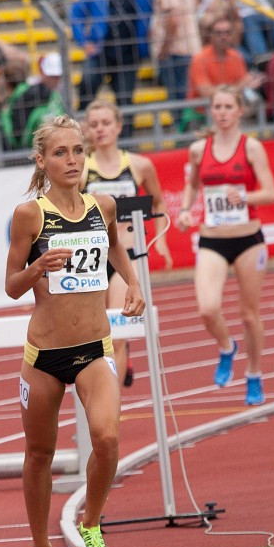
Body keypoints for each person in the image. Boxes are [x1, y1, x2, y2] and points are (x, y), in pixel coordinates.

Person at [5, 114, 145, 547]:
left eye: (78, 151)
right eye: (62, 152)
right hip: (43, 355)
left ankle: (91, 523)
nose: (73, 160)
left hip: (94, 347)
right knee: (39, 455)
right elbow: (10, 284)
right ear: (42, 160)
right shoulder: (31, 215)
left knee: (106, 438)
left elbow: (117, 252)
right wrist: (38, 266)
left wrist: (132, 285)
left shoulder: (102, 205)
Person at [178, 86, 274, 407]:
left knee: (249, 315)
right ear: (211, 111)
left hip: (249, 239)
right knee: (207, 308)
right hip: (212, 238)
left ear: (239, 111)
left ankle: (254, 373)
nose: (221, 112)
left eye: (227, 107)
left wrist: (245, 196)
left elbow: (271, 193)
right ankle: (226, 347)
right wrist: (184, 209)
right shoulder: (198, 150)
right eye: (216, 107)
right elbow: (193, 184)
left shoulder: (252, 148)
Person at [82, 99, 173, 386]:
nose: (100, 129)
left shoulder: (139, 165)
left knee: (116, 333)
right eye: (94, 124)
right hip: (93, 257)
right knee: (93, 334)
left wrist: (159, 242)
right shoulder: (82, 169)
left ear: (119, 126)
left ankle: (111, 412)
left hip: (128, 254)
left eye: (106, 123)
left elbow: (158, 202)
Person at [71, 0, 153, 127]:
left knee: (125, 102)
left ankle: (125, 143)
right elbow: (76, 14)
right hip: (101, 50)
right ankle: (81, 132)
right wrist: (84, 42)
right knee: (87, 87)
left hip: (130, 53)